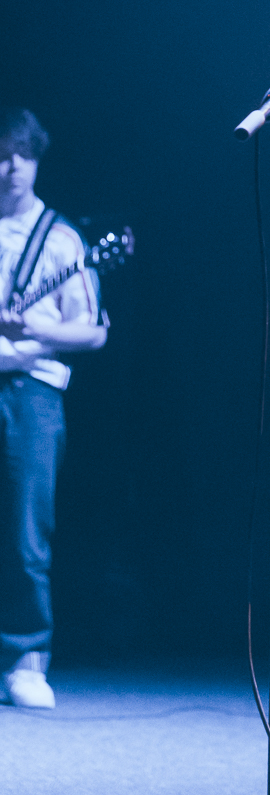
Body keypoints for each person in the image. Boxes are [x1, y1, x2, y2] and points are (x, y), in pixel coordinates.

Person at [0, 109, 107, 708]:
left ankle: (26, 656)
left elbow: (91, 332)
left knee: (24, 530)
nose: (10, 166)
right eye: (0, 153)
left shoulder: (61, 240)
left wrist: (36, 324)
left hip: (32, 390)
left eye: (21, 153)